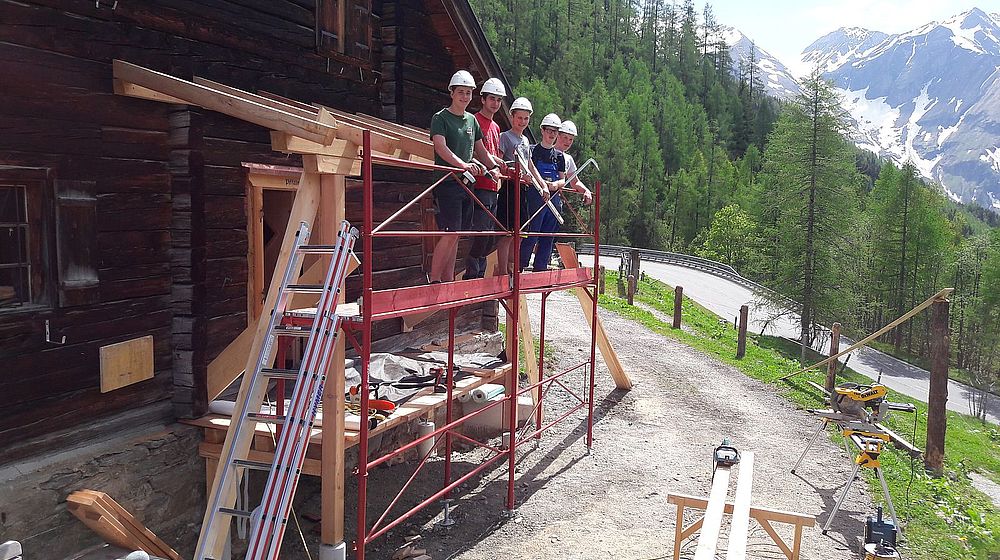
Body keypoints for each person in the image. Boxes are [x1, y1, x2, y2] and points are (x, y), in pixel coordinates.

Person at [428, 70, 495, 283]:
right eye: (461, 92)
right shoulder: (440, 118)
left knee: (456, 234)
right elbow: (440, 147)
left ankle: (447, 278)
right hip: (447, 181)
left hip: (466, 184)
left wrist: (492, 167)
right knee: (450, 232)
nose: (465, 97)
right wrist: (463, 165)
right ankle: (435, 278)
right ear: (452, 93)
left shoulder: (471, 121)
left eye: (468, 93)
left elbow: (481, 150)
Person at [465, 78, 509, 279]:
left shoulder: (496, 127)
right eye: (492, 98)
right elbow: (473, 151)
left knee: (491, 233)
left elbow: (490, 153)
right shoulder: (474, 120)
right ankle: (473, 273)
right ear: (482, 99)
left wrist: (501, 163)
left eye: (499, 100)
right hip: (480, 184)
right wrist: (490, 166)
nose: (496, 103)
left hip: (493, 185)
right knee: (482, 230)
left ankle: (479, 272)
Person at [518, 113, 566, 272]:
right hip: (536, 198)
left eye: (555, 131)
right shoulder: (532, 151)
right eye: (549, 130)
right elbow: (528, 172)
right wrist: (541, 184)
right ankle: (520, 266)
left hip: (553, 200)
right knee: (532, 234)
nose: (551, 134)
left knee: (548, 237)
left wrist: (553, 185)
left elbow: (562, 180)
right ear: (542, 131)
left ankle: (540, 269)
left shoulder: (559, 156)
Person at [495, 96, 533, 275]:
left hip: (523, 189)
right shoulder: (505, 137)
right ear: (512, 117)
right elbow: (501, 162)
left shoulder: (525, 141)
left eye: (526, 119)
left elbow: (529, 164)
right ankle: (502, 271)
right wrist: (512, 172)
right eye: (520, 118)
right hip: (509, 188)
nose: (522, 122)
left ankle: (513, 269)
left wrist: (536, 180)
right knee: (506, 233)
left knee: (519, 233)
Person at [554, 120, 593, 204]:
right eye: (565, 137)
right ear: (558, 135)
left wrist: (586, 191)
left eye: (571, 139)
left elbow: (574, 181)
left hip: (557, 199)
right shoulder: (547, 151)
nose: (567, 142)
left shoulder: (568, 159)